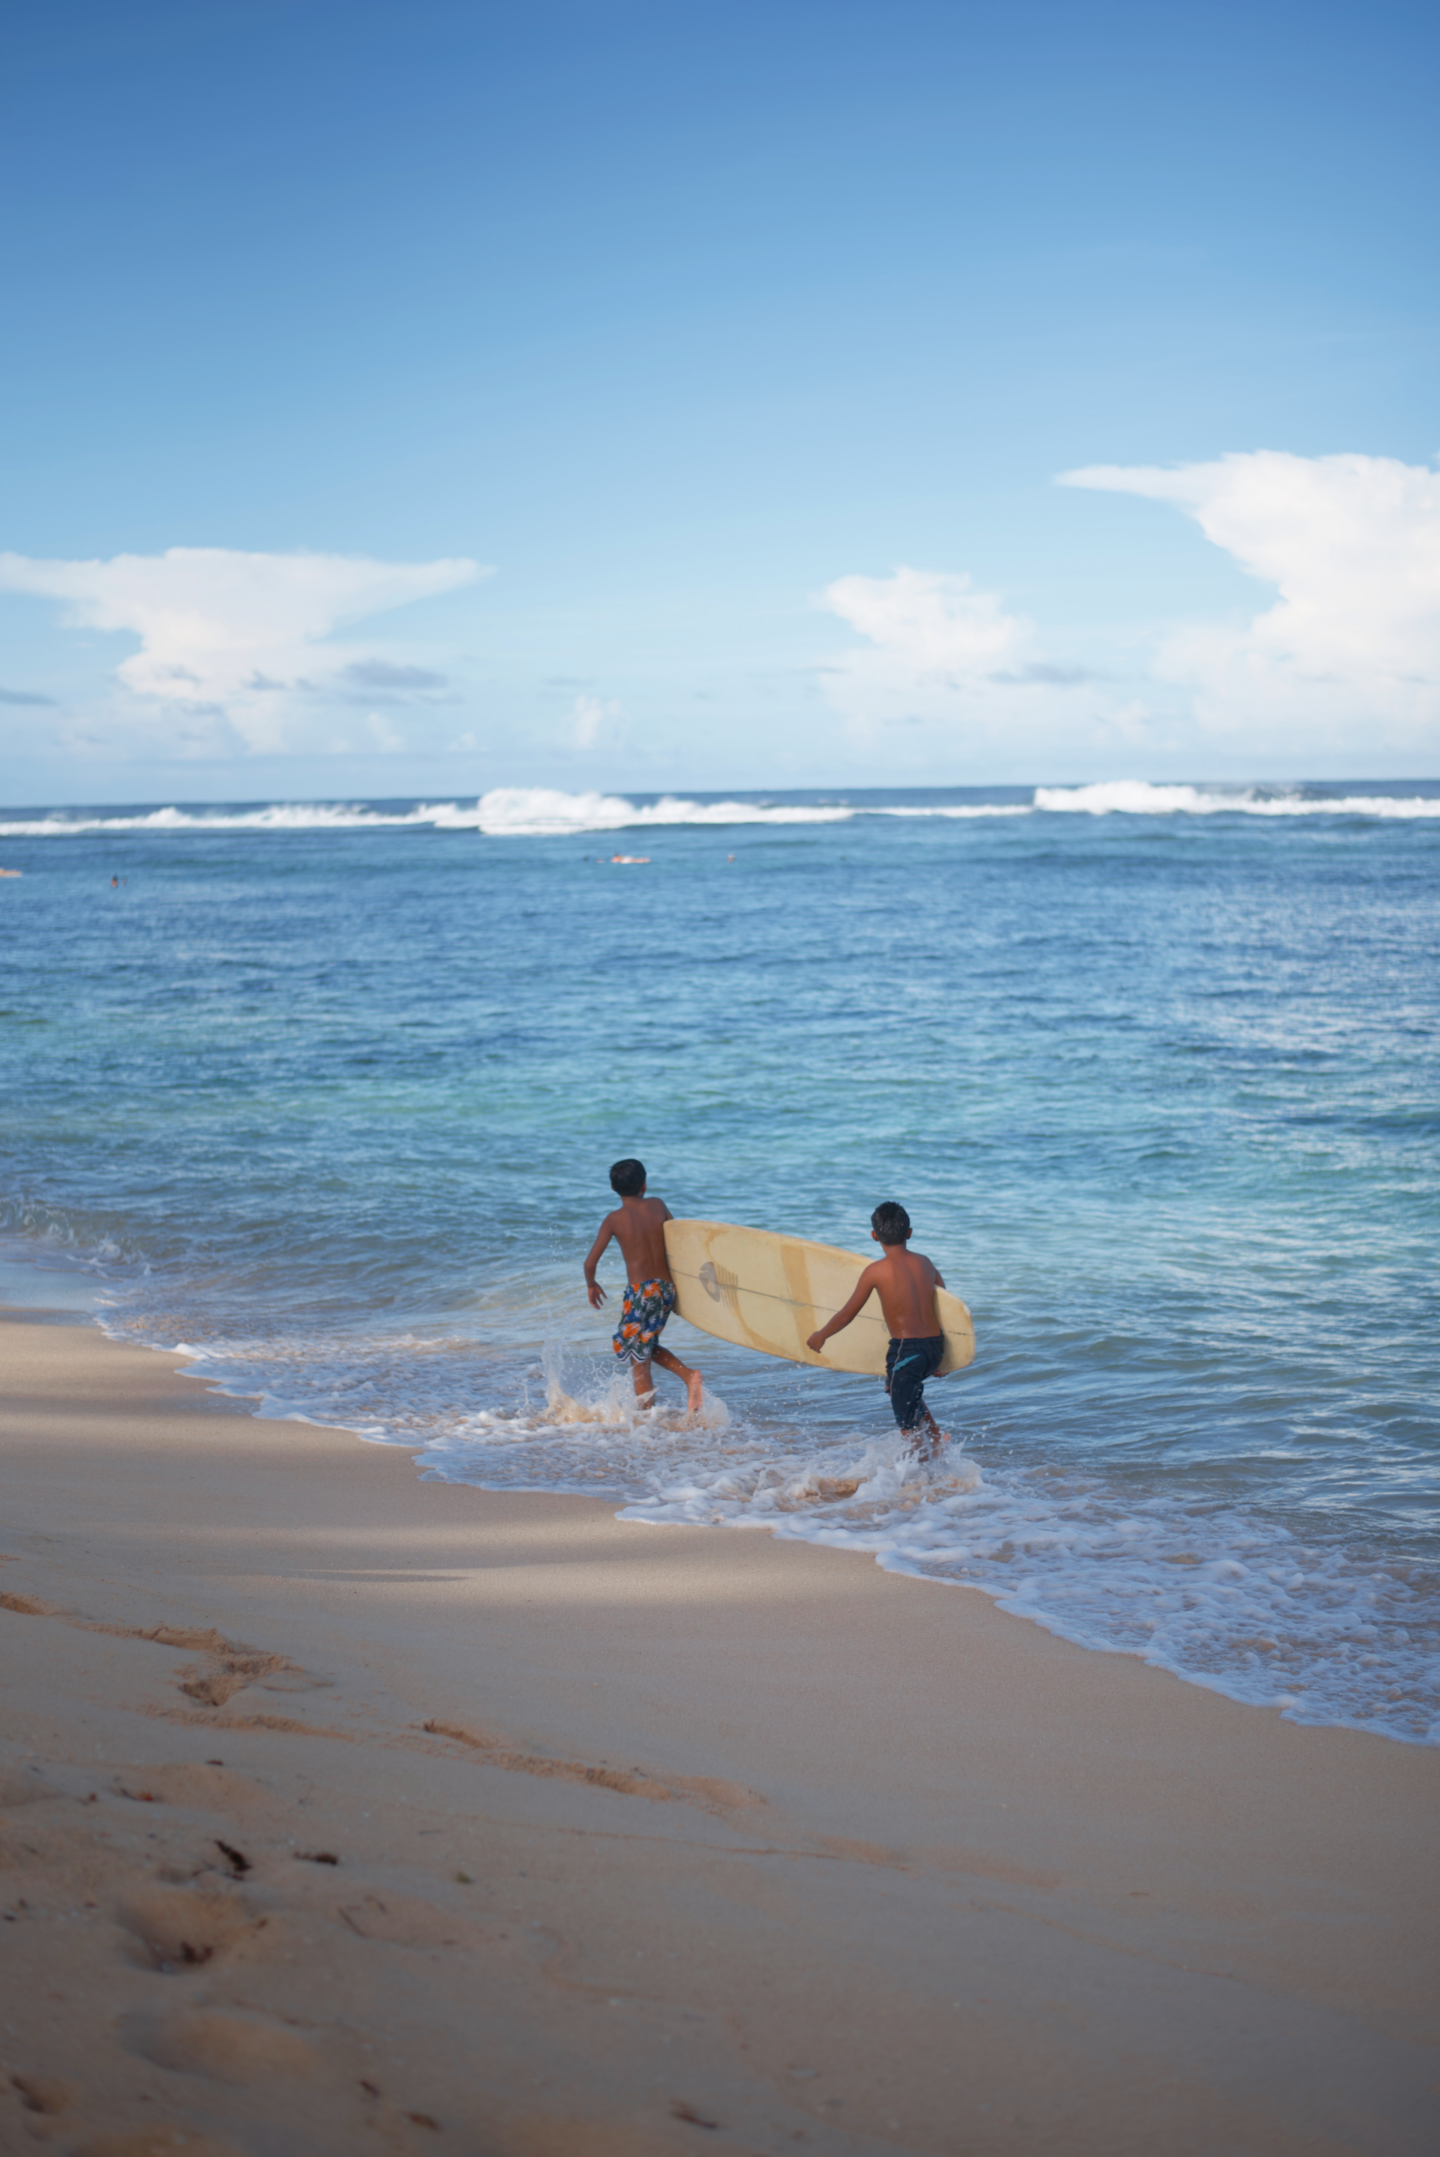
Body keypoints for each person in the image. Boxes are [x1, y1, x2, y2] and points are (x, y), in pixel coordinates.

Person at [806, 1202, 947, 1458]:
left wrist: (822, 1335)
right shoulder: (926, 1263)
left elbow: (848, 1313)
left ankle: (919, 1481)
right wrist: (946, 1355)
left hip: (906, 1349)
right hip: (933, 1347)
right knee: (896, 1386)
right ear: (909, 1233)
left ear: (874, 1235)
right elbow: (946, 1307)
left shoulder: (875, 1271)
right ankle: (937, 1437)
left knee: (908, 1428)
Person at [584, 1159, 704, 1415]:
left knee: (635, 1354)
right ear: (644, 1184)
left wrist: (591, 1285)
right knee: (643, 1350)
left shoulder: (613, 1219)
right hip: (666, 1289)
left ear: (613, 1188)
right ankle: (652, 1411)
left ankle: (658, 1406)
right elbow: (677, 1239)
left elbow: (589, 1263)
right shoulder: (658, 1205)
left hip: (641, 1292)